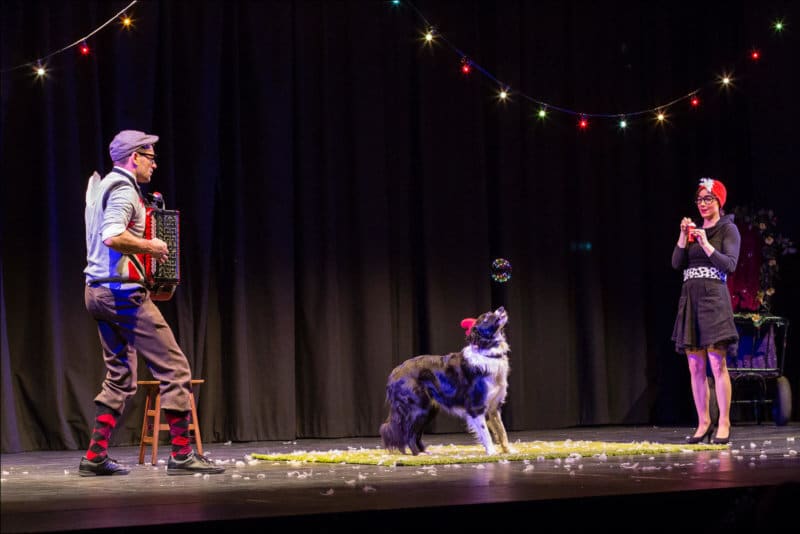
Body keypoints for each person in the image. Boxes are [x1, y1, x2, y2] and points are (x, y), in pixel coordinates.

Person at [80, 130, 224, 476]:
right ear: (134, 157)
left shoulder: (101, 186)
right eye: (150, 156)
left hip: (97, 291)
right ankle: (180, 453)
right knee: (175, 368)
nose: (154, 163)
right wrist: (153, 247)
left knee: (120, 377)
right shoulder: (124, 191)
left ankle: (95, 456)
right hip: (121, 293)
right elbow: (112, 235)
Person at [671, 178, 741, 445]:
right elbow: (677, 263)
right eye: (699, 200)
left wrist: (705, 242)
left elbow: (730, 265)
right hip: (691, 298)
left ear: (719, 202)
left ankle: (724, 422)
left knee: (716, 362)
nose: (702, 204)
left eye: (708, 199)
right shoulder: (693, 231)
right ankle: (703, 422)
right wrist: (683, 235)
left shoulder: (728, 229)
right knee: (695, 365)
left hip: (714, 299)